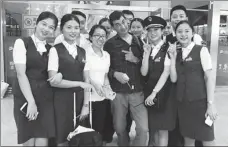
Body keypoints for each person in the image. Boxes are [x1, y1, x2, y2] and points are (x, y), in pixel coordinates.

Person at [13, 11, 59, 146]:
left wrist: (59, 75)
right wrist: (31, 102)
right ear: (36, 24)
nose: (46, 29)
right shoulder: (22, 43)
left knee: (42, 139)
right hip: (25, 97)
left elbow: (53, 73)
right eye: (44, 24)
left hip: (45, 99)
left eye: (51, 27)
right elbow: (21, 74)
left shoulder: (51, 49)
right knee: (28, 138)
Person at [168, 20, 217, 146]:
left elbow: (209, 78)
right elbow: (173, 79)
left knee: (207, 139)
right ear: (175, 34)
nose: (183, 34)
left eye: (186, 31)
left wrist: (210, 104)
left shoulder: (201, 50)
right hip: (183, 104)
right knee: (188, 138)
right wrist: (173, 58)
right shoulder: (176, 53)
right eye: (179, 31)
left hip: (200, 103)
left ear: (193, 33)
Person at [48, 14, 94, 146]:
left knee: (79, 136)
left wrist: (86, 105)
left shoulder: (83, 52)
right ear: (61, 29)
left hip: (80, 100)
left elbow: (87, 80)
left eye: (76, 28)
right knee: (62, 137)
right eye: (69, 27)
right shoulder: (55, 50)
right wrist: (79, 83)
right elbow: (53, 81)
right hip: (61, 101)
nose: (73, 31)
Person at [104, 11, 148, 146]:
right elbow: (104, 67)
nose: (122, 27)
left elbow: (147, 65)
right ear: (112, 27)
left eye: (124, 22)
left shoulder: (139, 41)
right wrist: (114, 74)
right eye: (117, 25)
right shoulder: (109, 44)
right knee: (119, 127)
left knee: (143, 128)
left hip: (137, 92)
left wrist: (135, 59)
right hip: (118, 92)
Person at [141, 16, 176, 146]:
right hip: (150, 93)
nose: (153, 33)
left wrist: (154, 93)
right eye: (150, 30)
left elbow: (166, 73)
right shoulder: (147, 48)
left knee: (162, 129)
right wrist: (145, 54)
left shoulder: (168, 48)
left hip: (164, 94)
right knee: (153, 128)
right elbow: (144, 72)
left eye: (156, 29)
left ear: (162, 31)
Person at [84, 24, 114, 146]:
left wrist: (107, 88)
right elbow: (83, 75)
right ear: (90, 37)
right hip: (87, 97)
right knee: (86, 132)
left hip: (102, 98)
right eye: (97, 35)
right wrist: (95, 85)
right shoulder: (84, 52)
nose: (100, 38)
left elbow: (105, 76)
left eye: (103, 36)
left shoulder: (107, 55)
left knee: (99, 130)